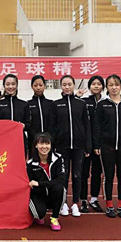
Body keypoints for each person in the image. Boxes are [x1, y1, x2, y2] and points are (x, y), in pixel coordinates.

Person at [93, 74, 121, 218]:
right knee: (108, 176)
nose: (114, 88)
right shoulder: (102, 104)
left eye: (116, 84)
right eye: (111, 85)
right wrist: (97, 145)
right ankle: (109, 205)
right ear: (107, 87)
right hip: (107, 147)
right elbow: (97, 126)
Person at [49, 75, 91, 218]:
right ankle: (63, 203)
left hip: (78, 146)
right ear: (61, 86)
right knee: (63, 175)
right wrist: (52, 146)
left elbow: (87, 126)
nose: (67, 87)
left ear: (74, 85)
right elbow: (52, 127)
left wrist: (87, 146)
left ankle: (75, 203)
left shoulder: (81, 104)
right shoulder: (56, 104)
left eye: (69, 84)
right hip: (62, 146)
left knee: (77, 175)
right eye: (64, 85)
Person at [27, 133, 67, 231]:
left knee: (59, 188)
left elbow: (61, 180)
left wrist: (40, 183)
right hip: (39, 194)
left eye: (47, 144)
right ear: (36, 145)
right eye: (41, 144)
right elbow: (31, 185)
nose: (44, 147)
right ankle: (39, 214)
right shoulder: (30, 164)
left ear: (51, 145)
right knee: (39, 214)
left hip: (53, 193)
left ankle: (54, 218)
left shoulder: (58, 159)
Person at [80, 75, 105, 213]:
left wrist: (99, 144)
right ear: (89, 86)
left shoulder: (106, 102)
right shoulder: (84, 102)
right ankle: (83, 199)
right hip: (86, 144)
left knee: (97, 173)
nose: (96, 86)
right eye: (93, 84)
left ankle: (94, 199)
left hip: (100, 146)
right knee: (83, 173)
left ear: (103, 86)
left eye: (99, 84)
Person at [0, 74, 31, 150]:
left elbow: (28, 124)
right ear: (4, 86)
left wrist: (23, 126)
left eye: (13, 84)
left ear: (17, 85)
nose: (10, 87)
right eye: (7, 84)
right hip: (2, 140)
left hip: (19, 140)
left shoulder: (24, 104)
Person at [27, 75, 53, 151]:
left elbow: (53, 122)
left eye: (40, 85)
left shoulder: (50, 103)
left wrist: (48, 136)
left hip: (49, 140)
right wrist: (36, 137)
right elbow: (28, 123)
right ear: (32, 86)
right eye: (35, 85)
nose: (38, 88)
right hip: (33, 140)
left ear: (44, 86)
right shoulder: (28, 104)